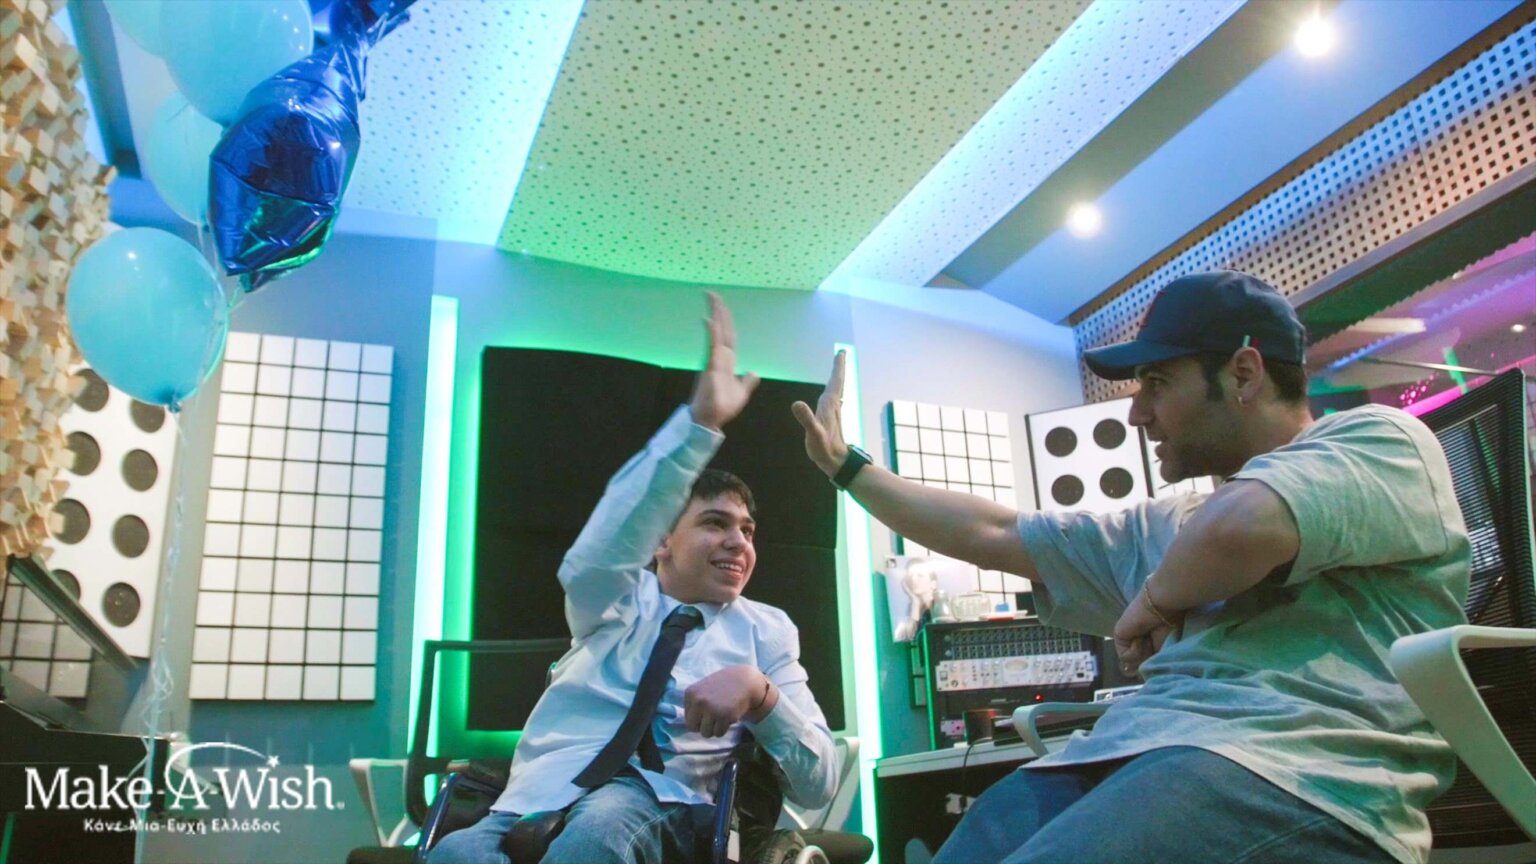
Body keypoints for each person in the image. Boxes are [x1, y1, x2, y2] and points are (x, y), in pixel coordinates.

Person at [792, 271, 1468, 864]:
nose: (1138, 413)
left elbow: (1247, 527)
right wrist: (848, 469)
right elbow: (993, 531)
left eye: (1157, 383)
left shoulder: (1377, 442)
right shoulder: (1167, 524)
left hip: (1298, 775)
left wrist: (1152, 602)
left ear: (1243, 373)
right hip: (1133, 752)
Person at [431, 294, 836, 864]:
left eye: (747, 530)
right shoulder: (613, 598)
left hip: (663, 801)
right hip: (538, 793)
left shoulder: (767, 631)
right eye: (715, 524)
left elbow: (820, 783)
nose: (739, 542)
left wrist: (761, 695)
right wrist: (699, 427)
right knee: (454, 855)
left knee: (597, 835)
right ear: (661, 541)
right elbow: (614, 533)